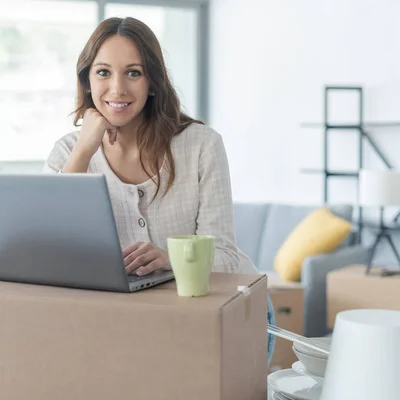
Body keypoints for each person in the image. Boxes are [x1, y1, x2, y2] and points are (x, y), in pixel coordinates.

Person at [43, 16, 274, 364]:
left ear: (152, 81)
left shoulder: (201, 145)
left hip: (231, 311)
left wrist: (172, 260)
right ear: (87, 81)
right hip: (138, 325)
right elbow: (48, 248)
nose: (117, 88)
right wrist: (84, 149)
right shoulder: (68, 154)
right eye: (103, 72)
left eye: (133, 72)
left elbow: (227, 256)